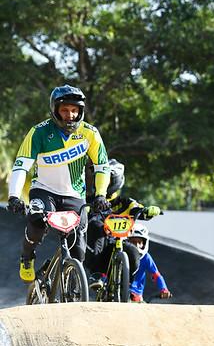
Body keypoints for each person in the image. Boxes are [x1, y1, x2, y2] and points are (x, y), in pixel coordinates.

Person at [6, 84, 110, 281]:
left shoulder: (90, 133)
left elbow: (102, 166)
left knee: (78, 251)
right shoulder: (39, 132)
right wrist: (14, 197)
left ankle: (70, 285)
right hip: (44, 191)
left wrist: (101, 195)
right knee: (37, 222)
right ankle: (27, 257)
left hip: (74, 195)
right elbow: (21, 166)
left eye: (74, 110)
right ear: (55, 110)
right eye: (64, 110)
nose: (70, 114)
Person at [84, 159, 162, 291]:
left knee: (132, 251)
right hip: (94, 251)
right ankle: (97, 275)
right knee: (97, 227)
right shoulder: (89, 202)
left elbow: (137, 209)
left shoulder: (125, 203)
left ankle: (127, 284)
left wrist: (148, 211)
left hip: (118, 244)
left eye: (105, 179)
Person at [127, 222, 171, 302]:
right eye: (133, 242)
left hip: (136, 294)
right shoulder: (122, 255)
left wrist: (164, 289)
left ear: (144, 243)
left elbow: (157, 275)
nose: (136, 246)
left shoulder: (146, 257)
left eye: (139, 242)